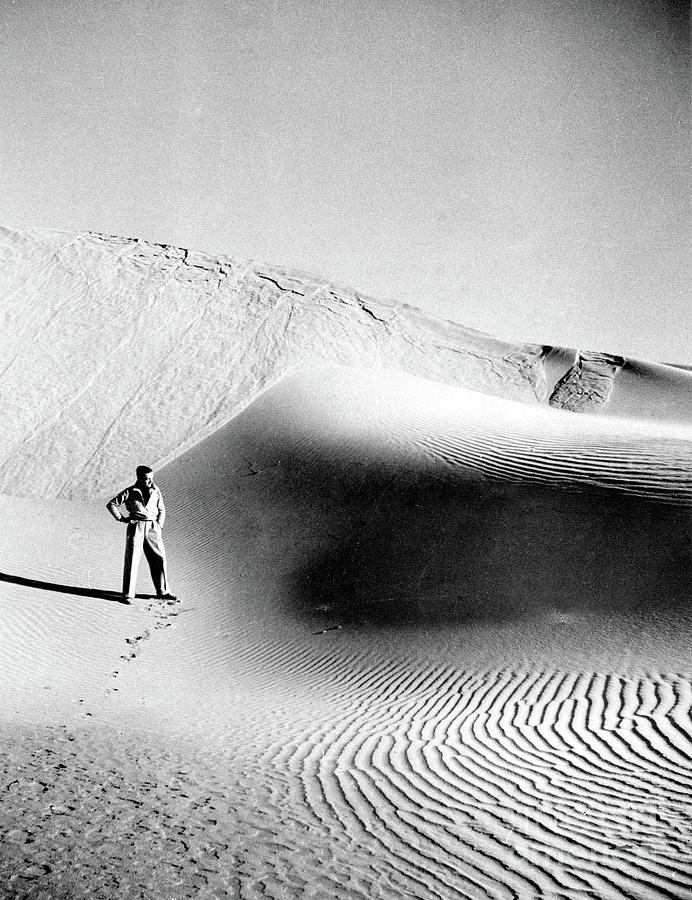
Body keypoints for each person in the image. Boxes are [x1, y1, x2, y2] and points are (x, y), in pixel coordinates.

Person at [106, 465, 176, 603]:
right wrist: (122, 518)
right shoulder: (130, 491)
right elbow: (112, 504)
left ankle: (163, 591)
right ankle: (128, 594)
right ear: (138, 478)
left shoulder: (156, 490)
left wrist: (158, 526)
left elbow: (162, 509)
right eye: (146, 479)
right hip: (136, 526)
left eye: (151, 478)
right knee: (132, 560)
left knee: (159, 558)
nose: (150, 481)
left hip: (152, 527)